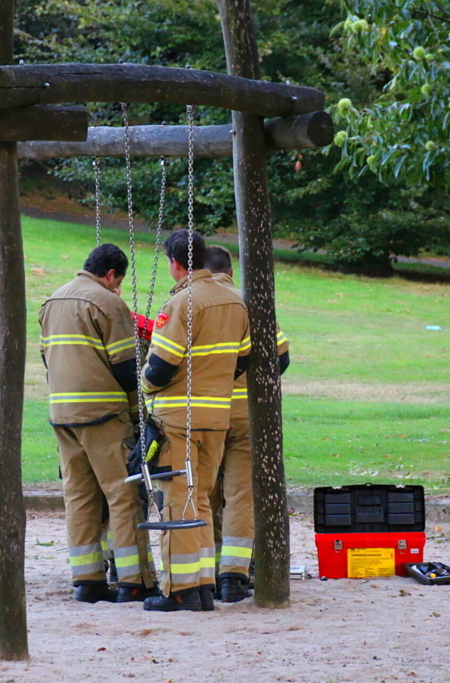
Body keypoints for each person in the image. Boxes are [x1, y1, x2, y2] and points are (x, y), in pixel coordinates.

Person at [38, 243, 158, 604]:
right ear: (111, 275)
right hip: (104, 414)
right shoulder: (108, 303)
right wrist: (139, 416)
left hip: (62, 415)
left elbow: (47, 359)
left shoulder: (51, 302)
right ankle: (134, 580)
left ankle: (87, 580)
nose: (117, 287)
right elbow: (126, 367)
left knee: (79, 496)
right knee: (123, 495)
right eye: (118, 282)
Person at [139, 230, 250, 612]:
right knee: (200, 497)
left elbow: (161, 366)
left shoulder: (181, 302)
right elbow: (244, 359)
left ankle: (181, 589)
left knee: (178, 501)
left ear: (174, 263)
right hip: (217, 417)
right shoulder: (234, 302)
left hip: (177, 417)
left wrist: (144, 385)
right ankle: (202, 586)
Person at [203, 245, 290, 602]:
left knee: (203, 493)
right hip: (243, 414)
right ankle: (234, 577)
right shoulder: (248, 303)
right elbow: (280, 359)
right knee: (241, 494)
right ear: (230, 271)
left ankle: (205, 573)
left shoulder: (188, 302)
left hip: (203, 415)